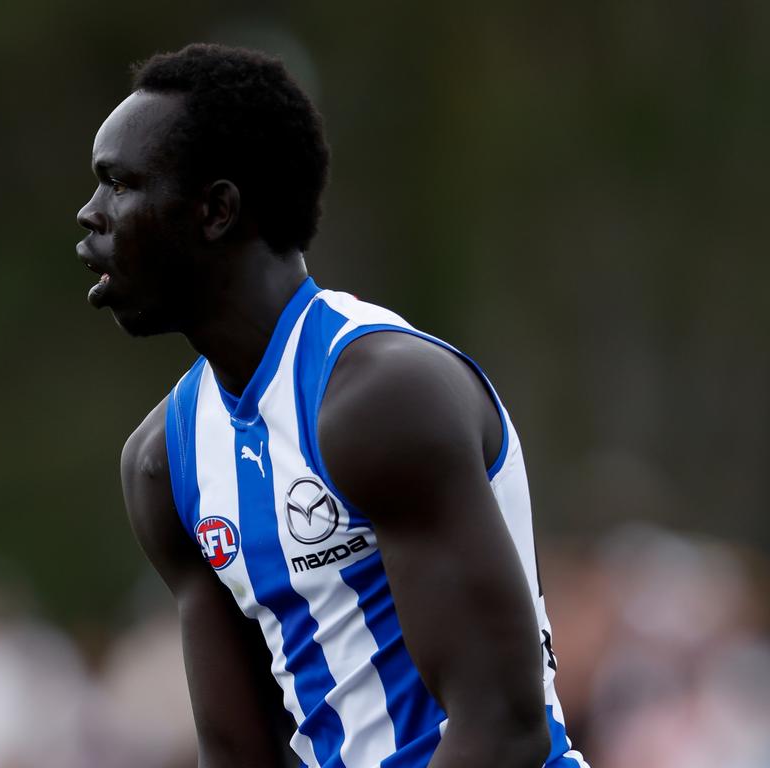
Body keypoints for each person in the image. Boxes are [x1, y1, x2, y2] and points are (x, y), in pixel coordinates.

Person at [75, 43, 588, 768]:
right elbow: (239, 755)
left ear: (216, 210)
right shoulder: (163, 462)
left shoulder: (381, 397)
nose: (89, 214)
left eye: (118, 184)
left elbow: (503, 729)